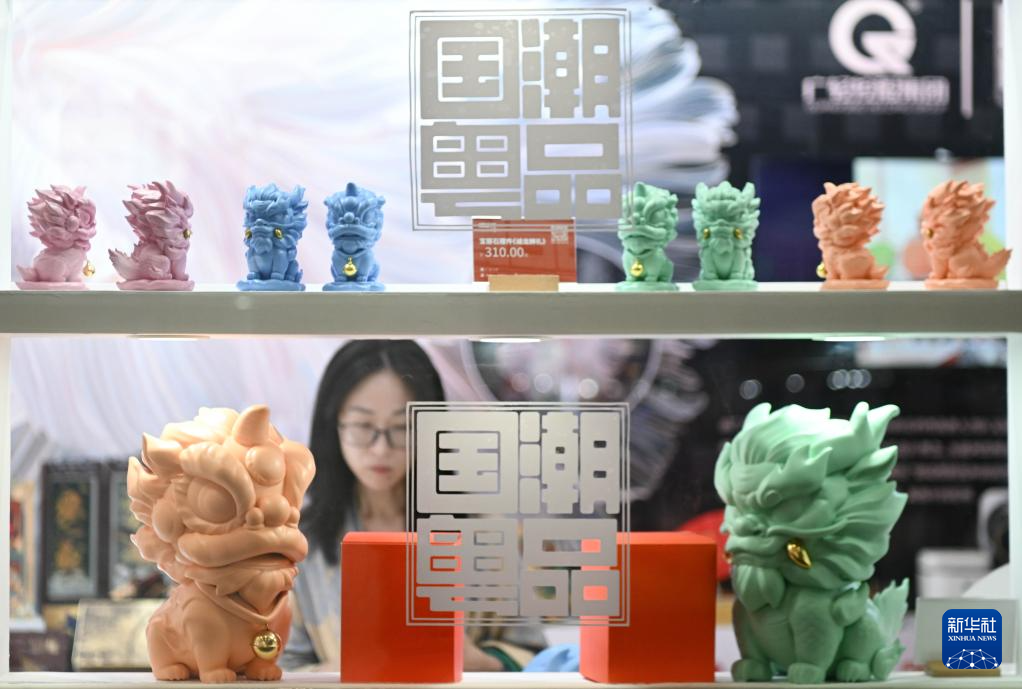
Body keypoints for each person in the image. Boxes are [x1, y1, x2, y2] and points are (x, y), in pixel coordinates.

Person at [285, 340, 543, 671]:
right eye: (363, 426)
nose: (381, 449)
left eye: (402, 427)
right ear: (333, 424)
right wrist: (351, 667)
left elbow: (535, 655)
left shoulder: (483, 529)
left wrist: (476, 662)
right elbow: (282, 665)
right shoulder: (301, 543)